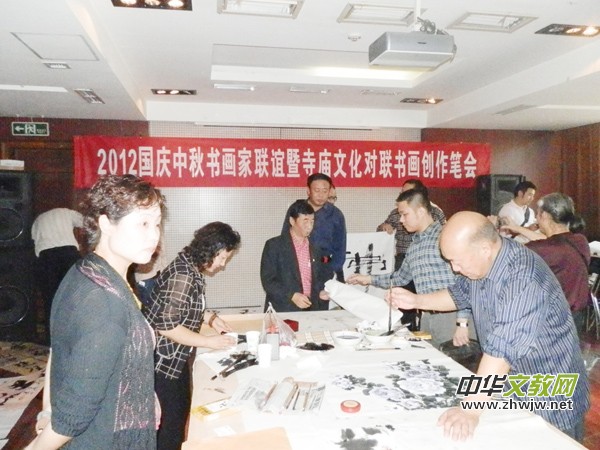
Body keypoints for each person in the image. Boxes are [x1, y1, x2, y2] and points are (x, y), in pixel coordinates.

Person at [388, 211, 589, 442]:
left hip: (550, 394)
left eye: (457, 261)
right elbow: (458, 295)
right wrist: (416, 301)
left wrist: (470, 409)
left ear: (484, 249)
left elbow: (501, 352)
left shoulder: (523, 278)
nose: (454, 268)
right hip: (514, 385)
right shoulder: (482, 264)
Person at [26, 174, 164, 449]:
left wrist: (144, 390)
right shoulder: (104, 302)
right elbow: (74, 415)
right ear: (106, 223)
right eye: (143, 223)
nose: (154, 235)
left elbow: (61, 351)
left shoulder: (87, 271)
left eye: (157, 224)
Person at [144, 221, 241, 450]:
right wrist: (208, 341)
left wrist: (210, 319)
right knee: (170, 426)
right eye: (222, 258)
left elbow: (185, 306)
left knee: (178, 416)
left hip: (174, 360)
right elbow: (166, 326)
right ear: (211, 250)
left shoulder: (189, 266)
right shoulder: (183, 275)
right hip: (164, 364)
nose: (222, 264)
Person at [348, 189, 473, 348]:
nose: (401, 220)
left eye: (404, 214)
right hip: (427, 317)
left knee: (456, 361)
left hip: (452, 319)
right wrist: (367, 279)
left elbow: (465, 280)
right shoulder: (414, 245)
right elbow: (400, 278)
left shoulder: (445, 236)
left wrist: (462, 323)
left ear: (420, 211)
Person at [503, 193, 590, 337]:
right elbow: (551, 239)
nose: (536, 218)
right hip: (576, 316)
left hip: (552, 321)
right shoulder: (581, 241)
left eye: (537, 214)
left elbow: (504, 255)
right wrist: (517, 228)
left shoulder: (542, 249)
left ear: (544, 215)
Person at [261, 200, 334, 312]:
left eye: (312, 221)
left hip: (313, 308)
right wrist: (292, 296)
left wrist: (321, 290)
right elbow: (268, 281)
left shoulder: (319, 248)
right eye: (305, 221)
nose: (309, 226)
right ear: (292, 221)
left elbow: (327, 271)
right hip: (284, 309)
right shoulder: (274, 246)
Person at [31, 207, 83, 343]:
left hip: (46, 257)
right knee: (74, 296)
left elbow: (34, 239)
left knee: (50, 298)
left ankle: (51, 339)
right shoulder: (66, 212)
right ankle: (75, 337)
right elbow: (85, 222)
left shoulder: (38, 219)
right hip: (68, 254)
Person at [282, 173, 346, 281]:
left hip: (324, 267)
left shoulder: (336, 215)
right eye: (317, 190)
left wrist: (331, 270)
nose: (321, 195)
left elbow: (340, 248)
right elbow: (285, 238)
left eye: (325, 191)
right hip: (297, 268)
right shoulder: (296, 209)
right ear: (308, 190)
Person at [377, 179, 446, 271]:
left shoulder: (436, 213)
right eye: (402, 192)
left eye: (407, 192)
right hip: (402, 257)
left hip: (427, 255)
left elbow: (445, 233)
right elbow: (380, 230)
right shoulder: (397, 213)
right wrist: (384, 227)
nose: (401, 220)